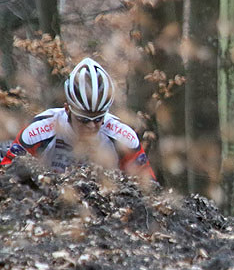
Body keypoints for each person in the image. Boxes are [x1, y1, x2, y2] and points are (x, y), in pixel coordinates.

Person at [0, 57, 156, 182]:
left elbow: (148, 187)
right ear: (67, 109)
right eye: (83, 119)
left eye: (99, 119)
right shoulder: (39, 131)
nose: (92, 126)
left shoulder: (123, 137)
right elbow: (6, 174)